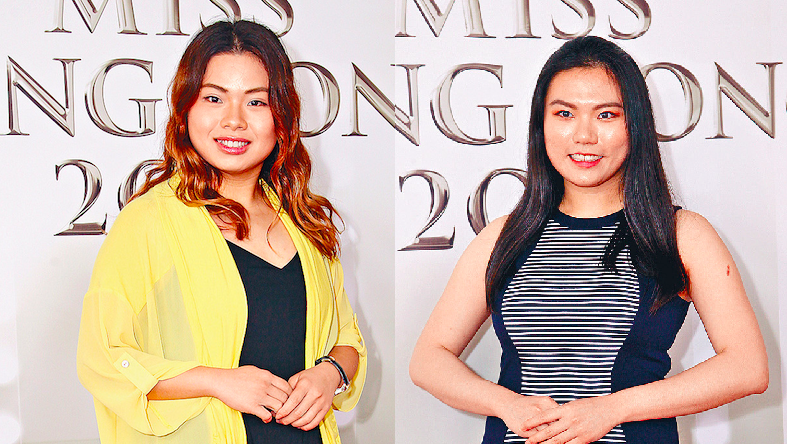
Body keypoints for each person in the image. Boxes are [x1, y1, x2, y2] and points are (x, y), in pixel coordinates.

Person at [409, 36, 768, 444]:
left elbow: (747, 367)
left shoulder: (680, 234)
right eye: (564, 113)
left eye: (606, 115)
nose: (584, 135)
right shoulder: (505, 237)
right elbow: (428, 359)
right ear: (541, 124)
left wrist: (613, 409)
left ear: (635, 124)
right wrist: (506, 404)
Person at [77, 20, 366, 444]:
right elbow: (104, 357)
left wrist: (331, 374)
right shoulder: (149, 221)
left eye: (256, 102)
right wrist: (217, 381)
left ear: (281, 117)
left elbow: (347, 338)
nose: (234, 120)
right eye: (214, 98)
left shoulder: (306, 221)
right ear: (186, 109)